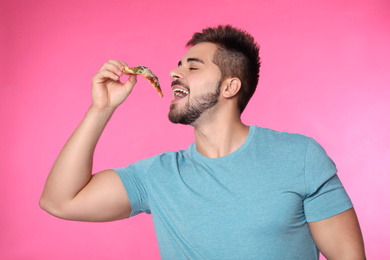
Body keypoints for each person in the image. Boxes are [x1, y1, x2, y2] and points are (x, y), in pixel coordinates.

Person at [40, 25, 365, 259]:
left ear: (229, 87)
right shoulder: (158, 176)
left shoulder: (299, 157)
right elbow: (60, 201)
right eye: (179, 66)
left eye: (193, 67)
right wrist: (102, 108)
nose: (174, 73)